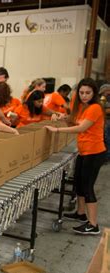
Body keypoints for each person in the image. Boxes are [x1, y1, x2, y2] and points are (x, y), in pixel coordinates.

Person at [45, 78, 106, 235]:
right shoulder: (81, 107)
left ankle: (93, 225)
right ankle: (80, 214)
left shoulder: (95, 108)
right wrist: (61, 117)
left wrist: (57, 130)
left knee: (87, 187)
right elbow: (73, 122)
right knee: (78, 184)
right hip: (84, 151)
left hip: (95, 152)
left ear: (94, 93)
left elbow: (81, 128)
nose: (84, 95)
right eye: (81, 92)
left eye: (88, 93)